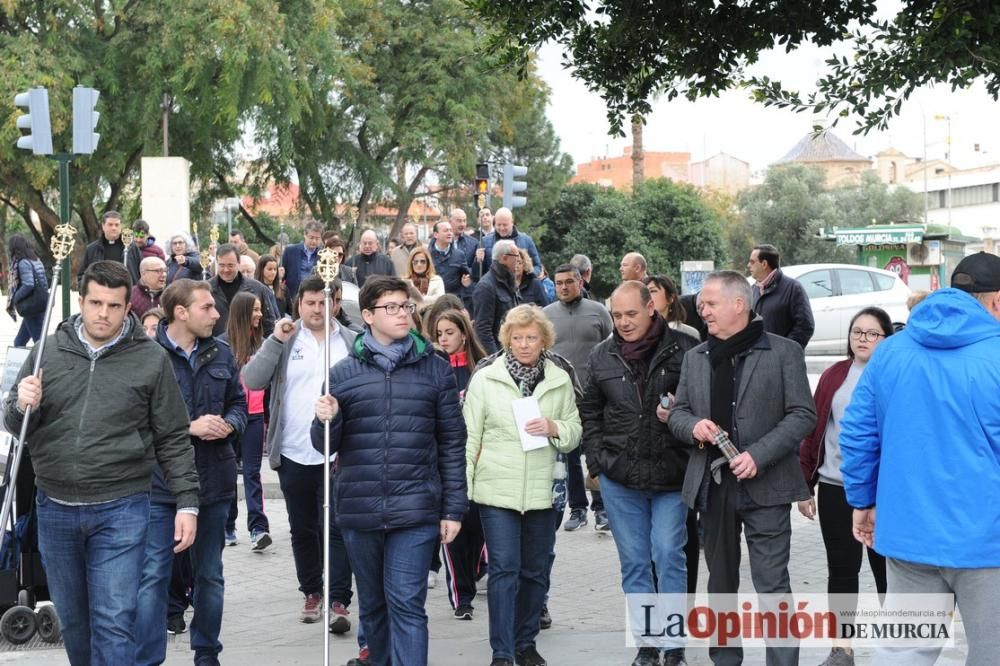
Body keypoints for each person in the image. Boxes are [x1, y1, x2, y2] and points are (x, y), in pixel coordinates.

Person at [3, 260, 199, 666]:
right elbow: (12, 422)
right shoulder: (47, 351)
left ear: (129, 306)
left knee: (113, 621)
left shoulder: (150, 359)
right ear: (81, 300)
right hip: (54, 507)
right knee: (75, 624)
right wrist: (23, 403)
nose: (103, 314)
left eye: (113, 305)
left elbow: (173, 436)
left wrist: (187, 502)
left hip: (122, 507)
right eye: (95, 303)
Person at [840, 252, 1000, 665]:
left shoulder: (891, 351)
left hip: (910, 532)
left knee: (902, 652)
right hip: (987, 542)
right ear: (996, 301)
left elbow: (857, 432)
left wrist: (862, 499)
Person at [312, 275, 468, 666]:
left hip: (415, 508)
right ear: (367, 315)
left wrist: (453, 508)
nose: (402, 314)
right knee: (374, 605)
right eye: (391, 307)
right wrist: (325, 419)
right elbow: (325, 445)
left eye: (406, 306)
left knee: (407, 602)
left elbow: (452, 442)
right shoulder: (342, 374)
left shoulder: (435, 369)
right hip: (359, 508)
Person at [668, 270, 815, 666]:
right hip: (713, 485)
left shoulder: (784, 352)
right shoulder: (696, 357)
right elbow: (678, 413)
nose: (702, 311)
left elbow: (803, 414)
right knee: (721, 583)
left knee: (772, 585)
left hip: (768, 486)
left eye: (710, 304)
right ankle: (726, 659)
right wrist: (692, 426)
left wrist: (759, 454)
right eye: (701, 305)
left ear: (739, 304)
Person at [578, 281, 699, 666]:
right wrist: (597, 460)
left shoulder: (686, 350)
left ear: (652, 308)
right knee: (633, 561)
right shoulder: (602, 355)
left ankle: (674, 646)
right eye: (617, 315)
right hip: (620, 477)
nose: (624, 322)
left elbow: (701, 406)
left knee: (668, 554)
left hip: (671, 475)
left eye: (631, 313)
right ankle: (648, 644)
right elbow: (590, 411)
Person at [463, 304, 582, 666]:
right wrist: (463, 492)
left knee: (535, 570)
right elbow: (470, 435)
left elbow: (575, 432)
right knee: (504, 568)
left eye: (532, 337)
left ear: (543, 339)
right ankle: (501, 650)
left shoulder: (559, 378)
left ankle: (525, 642)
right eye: (518, 338)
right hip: (496, 490)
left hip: (544, 492)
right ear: (507, 339)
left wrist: (554, 427)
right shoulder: (486, 377)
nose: (525, 344)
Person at [138, 278, 247, 666]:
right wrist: (190, 427)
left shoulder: (220, 353)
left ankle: (206, 654)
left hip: (213, 485)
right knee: (153, 577)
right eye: (207, 308)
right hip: (160, 489)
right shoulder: (146, 356)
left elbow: (239, 403)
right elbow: (135, 424)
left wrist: (230, 424)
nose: (217, 314)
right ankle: (148, 658)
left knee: (210, 577)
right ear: (181, 312)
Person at [242, 276, 359, 634]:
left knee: (338, 527)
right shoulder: (285, 338)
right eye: (310, 303)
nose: (317, 309)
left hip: (340, 452)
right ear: (299, 303)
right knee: (303, 527)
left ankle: (339, 598)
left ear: (336, 303)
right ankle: (312, 591)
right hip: (294, 448)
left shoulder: (352, 342)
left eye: (325, 302)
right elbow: (253, 379)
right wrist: (275, 339)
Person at [798, 307, 892, 666]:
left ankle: (896, 647)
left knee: (887, 571)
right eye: (857, 332)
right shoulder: (836, 374)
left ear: (886, 339)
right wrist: (806, 483)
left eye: (872, 333)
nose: (863, 339)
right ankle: (842, 648)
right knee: (841, 569)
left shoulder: (894, 375)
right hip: (837, 486)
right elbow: (813, 429)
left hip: (884, 492)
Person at [543, 264, 613, 532]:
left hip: (595, 395)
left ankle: (602, 508)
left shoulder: (598, 311)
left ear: (580, 282)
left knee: (596, 450)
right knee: (569, 454)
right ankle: (578, 508)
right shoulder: (546, 314)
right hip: (562, 397)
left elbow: (611, 347)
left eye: (569, 282)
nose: (563, 287)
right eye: (558, 282)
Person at [434, 309, 489, 620]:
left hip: (481, 463)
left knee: (481, 529)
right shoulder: (434, 369)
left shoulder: (482, 372)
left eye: (449, 332)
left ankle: (479, 569)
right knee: (452, 533)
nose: (443, 338)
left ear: (464, 334)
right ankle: (462, 597)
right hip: (447, 463)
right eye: (439, 333)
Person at [223, 292, 271, 552]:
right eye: (254, 310)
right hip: (230, 418)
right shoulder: (222, 345)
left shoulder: (263, 344)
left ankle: (258, 528)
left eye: (260, 309)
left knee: (252, 473)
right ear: (242, 312)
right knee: (228, 473)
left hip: (255, 417)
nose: (259, 315)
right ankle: (228, 525)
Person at [748, 243, 814, 348]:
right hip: (758, 359)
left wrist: (783, 351)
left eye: (752, 262)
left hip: (783, 361)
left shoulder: (793, 288)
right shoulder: (753, 290)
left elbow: (805, 326)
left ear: (764, 264)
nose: (748, 265)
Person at [208, 243, 276, 337]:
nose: (226, 269)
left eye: (230, 265)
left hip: (251, 347)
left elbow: (268, 324)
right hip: (216, 347)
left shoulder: (257, 289)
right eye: (222, 265)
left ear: (238, 263)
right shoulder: (207, 289)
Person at [472, 240, 521, 354]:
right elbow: (483, 330)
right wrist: (495, 360)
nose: (518, 260)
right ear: (504, 258)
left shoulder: (510, 282)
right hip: (499, 354)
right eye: (516, 256)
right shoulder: (486, 286)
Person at [6, 234, 48, 346]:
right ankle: (21, 363)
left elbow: (29, 284)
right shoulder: (36, 259)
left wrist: (15, 298)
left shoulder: (23, 263)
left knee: (39, 343)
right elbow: (44, 282)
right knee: (19, 342)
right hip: (40, 304)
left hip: (31, 306)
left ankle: (43, 363)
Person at [480, 208, 542, 276]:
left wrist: (526, 277)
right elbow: (478, 273)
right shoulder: (485, 241)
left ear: (512, 222)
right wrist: (477, 261)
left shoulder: (526, 240)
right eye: (498, 225)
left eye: (505, 225)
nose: (502, 228)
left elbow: (537, 266)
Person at [281, 221, 325, 312]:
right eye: (311, 237)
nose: (314, 241)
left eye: (317, 238)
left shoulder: (324, 254)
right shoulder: (290, 251)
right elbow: (282, 276)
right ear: (305, 235)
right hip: (293, 298)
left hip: (315, 298)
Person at [77, 210, 130, 285]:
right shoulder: (92, 249)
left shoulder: (131, 248)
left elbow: (140, 273)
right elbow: (81, 277)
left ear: (121, 226)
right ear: (103, 226)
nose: (114, 228)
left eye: (117, 225)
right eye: (110, 224)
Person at [644, 275, 700, 340]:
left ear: (670, 298)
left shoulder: (688, 333)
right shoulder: (635, 333)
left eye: (652, 291)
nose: (647, 296)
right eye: (644, 292)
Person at [428, 220, 474, 297]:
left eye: (450, 230)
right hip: (433, 300)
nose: (449, 233)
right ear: (436, 234)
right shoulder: (427, 255)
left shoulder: (459, 255)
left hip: (452, 300)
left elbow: (467, 275)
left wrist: (468, 280)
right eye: (446, 231)